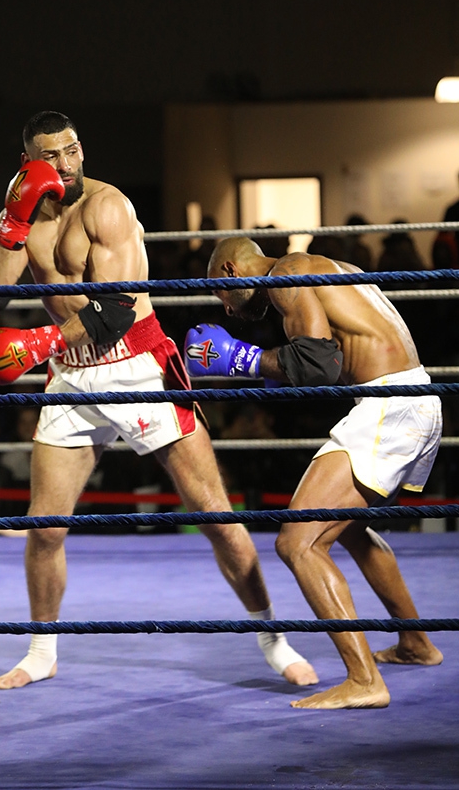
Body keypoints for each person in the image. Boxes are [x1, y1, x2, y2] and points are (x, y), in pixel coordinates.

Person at [0, 110, 317, 691]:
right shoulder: (24, 205)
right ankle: (41, 651)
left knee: (214, 514)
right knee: (45, 526)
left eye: (73, 150)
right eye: (51, 156)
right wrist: (11, 225)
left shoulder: (108, 207)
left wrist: (39, 341)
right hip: (72, 377)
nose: (66, 164)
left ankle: (273, 638)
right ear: (29, 162)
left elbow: (116, 310)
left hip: (137, 364)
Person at [184, 236, 443, 710]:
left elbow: (318, 365)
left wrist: (236, 359)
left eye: (219, 294)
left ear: (229, 271)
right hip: (413, 398)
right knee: (351, 531)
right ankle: (416, 644)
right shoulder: (326, 266)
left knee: (297, 541)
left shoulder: (286, 273)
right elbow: (331, 357)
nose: (225, 309)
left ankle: (364, 680)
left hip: (391, 407)